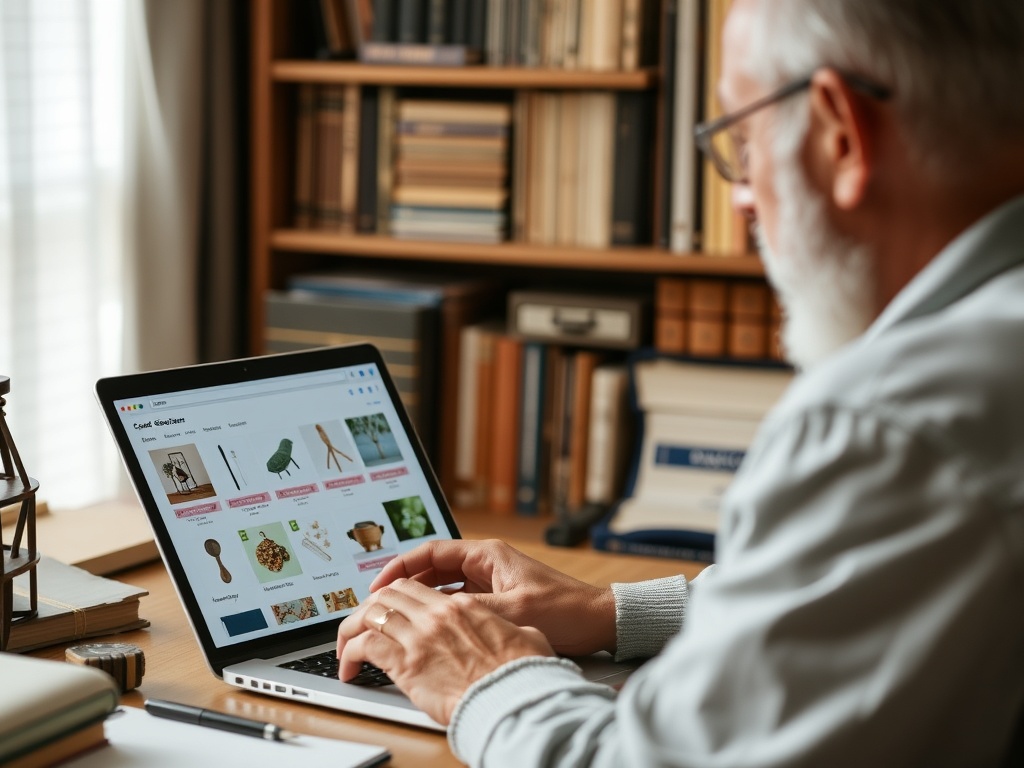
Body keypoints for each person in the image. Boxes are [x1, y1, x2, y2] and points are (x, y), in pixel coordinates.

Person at [337, 0, 1024, 764]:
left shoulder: (892, 420)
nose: (740, 199)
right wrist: (612, 611)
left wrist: (483, 672)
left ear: (839, 133)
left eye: (746, 142)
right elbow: (876, 587)